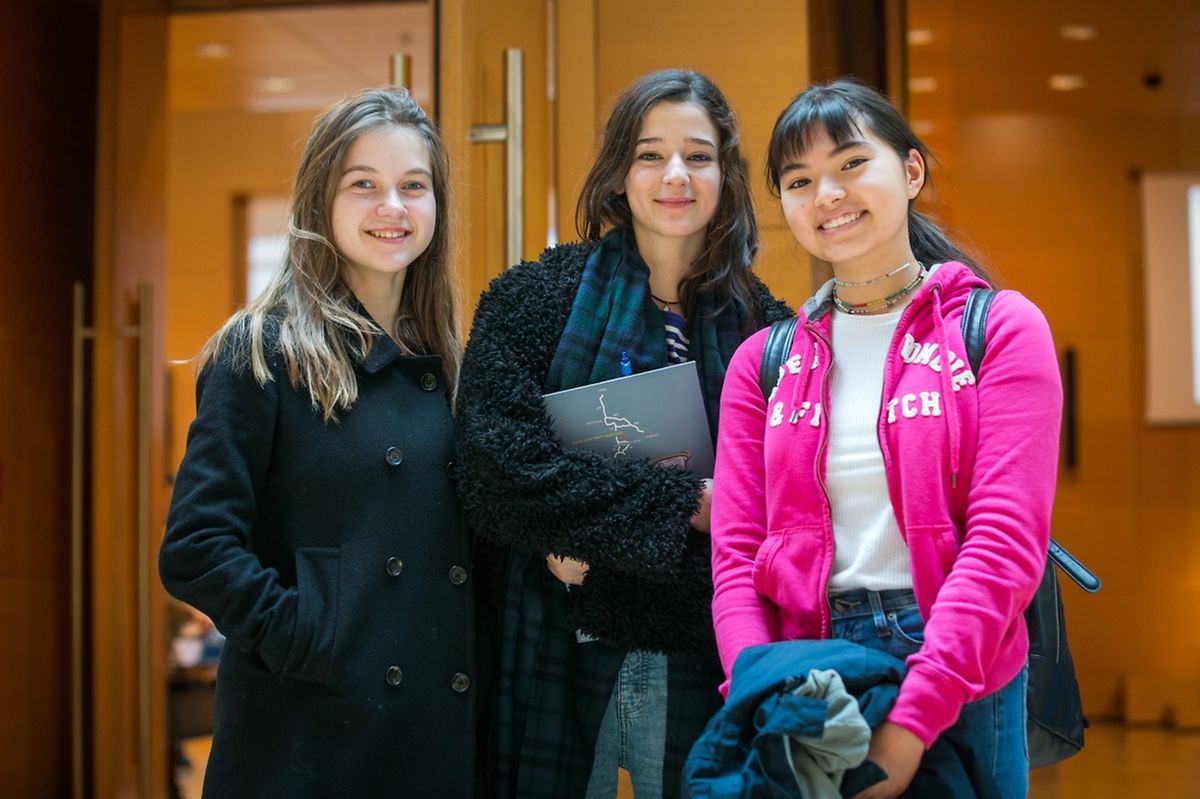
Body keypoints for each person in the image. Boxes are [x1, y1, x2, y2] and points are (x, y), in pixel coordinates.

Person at [710, 78, 1062, 799]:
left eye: (849, 164)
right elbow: (736, 560)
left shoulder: (998, 329)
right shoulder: (763, 362)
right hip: (809, 672)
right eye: (799, 180)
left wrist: (910, 722)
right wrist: (768, 690)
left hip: (960, 662)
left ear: (910, 170)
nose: (827, 194)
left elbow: (1004, 543)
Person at [454, 69, 791, 799]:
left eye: (699, 156)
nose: (676, 175)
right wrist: (688, 503)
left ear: (726, 175)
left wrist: (591, 533)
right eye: (650, 154)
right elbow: (496, 475)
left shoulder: (773, 332)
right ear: (617, 172)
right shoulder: (531, 299)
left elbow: (777, 506)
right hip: (552, 637)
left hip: (706, 642)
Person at [158, 87, 476, 797]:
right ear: (320, 201)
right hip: (308, 734)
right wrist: (310, 635)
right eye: (363, 184)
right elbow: (196, 548)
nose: (392, 207)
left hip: (434, 734)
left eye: (413, 186)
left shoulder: (454, 363)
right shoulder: (260, 351)